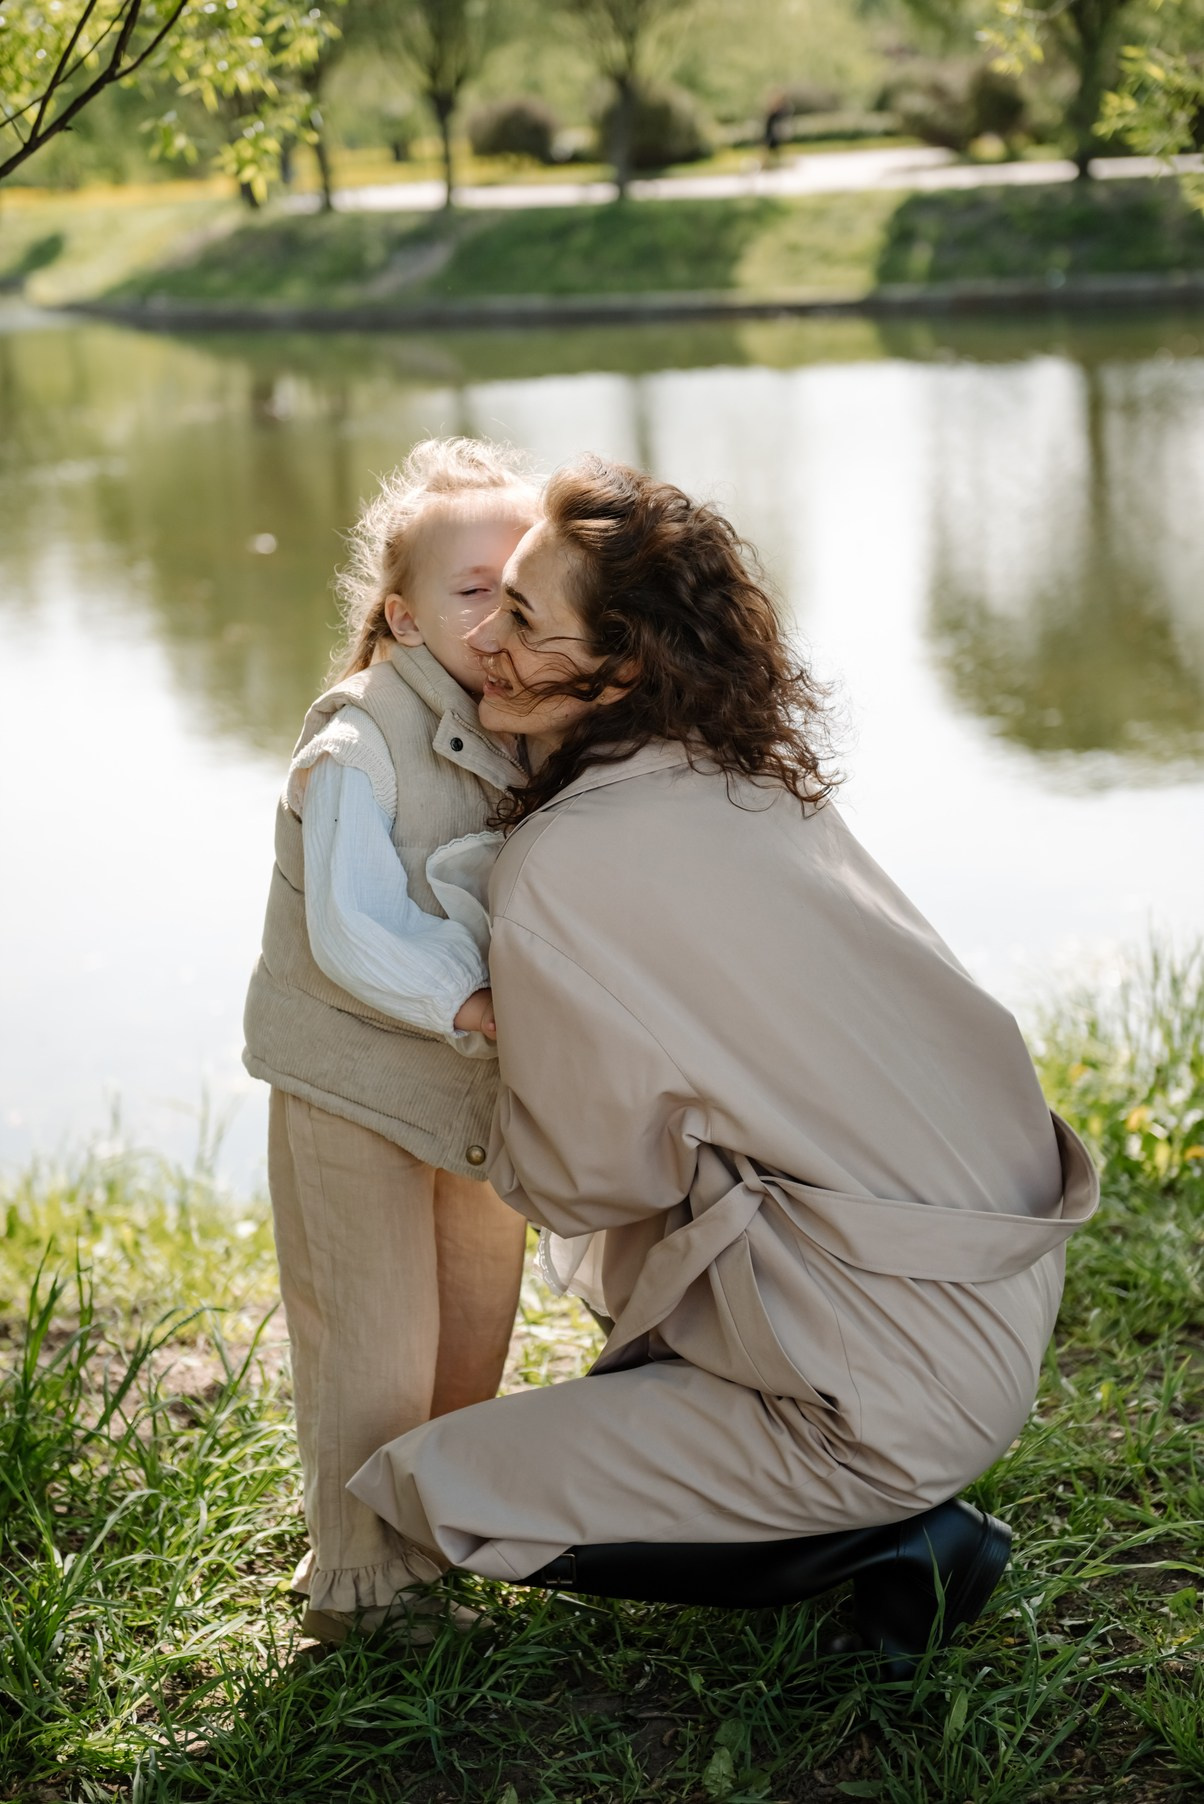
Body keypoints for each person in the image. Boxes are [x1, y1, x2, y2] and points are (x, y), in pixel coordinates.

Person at [348, 455, 1099, 1673]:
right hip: (990, 1313)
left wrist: (490, 1037)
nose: (485, 640)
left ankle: (898, 1540)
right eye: (491, 606)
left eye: (524, 619)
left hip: (881, 1392)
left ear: (620, 669)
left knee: (422, 1487)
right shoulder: (746, 776)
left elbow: (581, 1186)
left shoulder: (563, 863)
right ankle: (853, 1479)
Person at [242, 438, 535, 1645]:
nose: (502, 613)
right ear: (404, 617)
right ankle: (358, 1587)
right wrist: (475, 1004)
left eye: (523, 587)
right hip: (353, 1080)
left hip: (461, 1092)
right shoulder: (359, 736)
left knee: (470, 1330)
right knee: (374, 1339)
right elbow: (354, 924)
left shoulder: (520, 721)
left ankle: (428, 1541)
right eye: (474, 591)